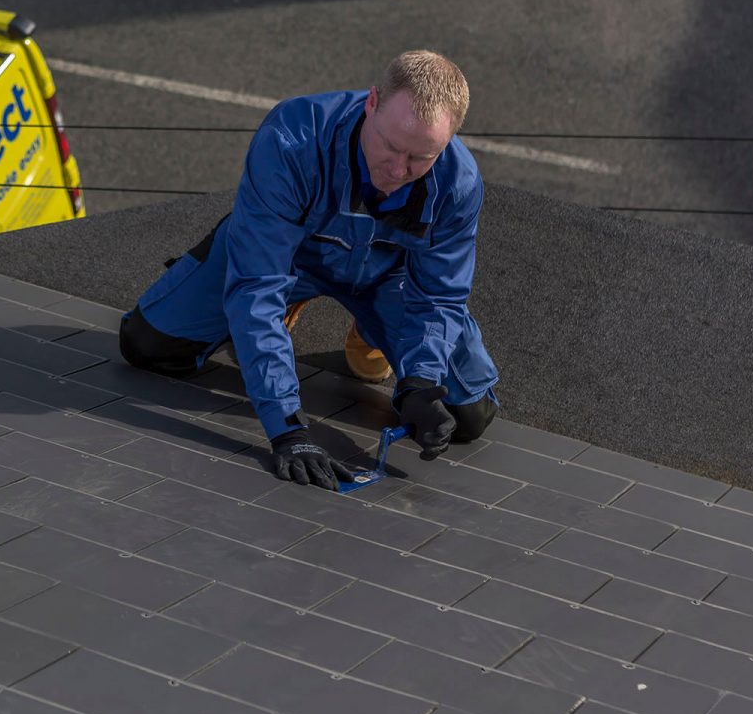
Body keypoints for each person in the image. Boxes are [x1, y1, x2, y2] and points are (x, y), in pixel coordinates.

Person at [119, 50, 499, 490]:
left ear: (449, 140)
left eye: (420, 158)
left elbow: (438, 296)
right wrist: (287, 429)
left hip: (386, 280)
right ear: (371, 103)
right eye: (391, 146)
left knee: (465, 416)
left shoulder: (459, 182)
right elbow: (257, 284)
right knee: (147, 345)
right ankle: (290, 301)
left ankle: (370, 326)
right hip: (286, 259)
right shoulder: (292, 138)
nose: (397, 171)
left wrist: (419, 381)